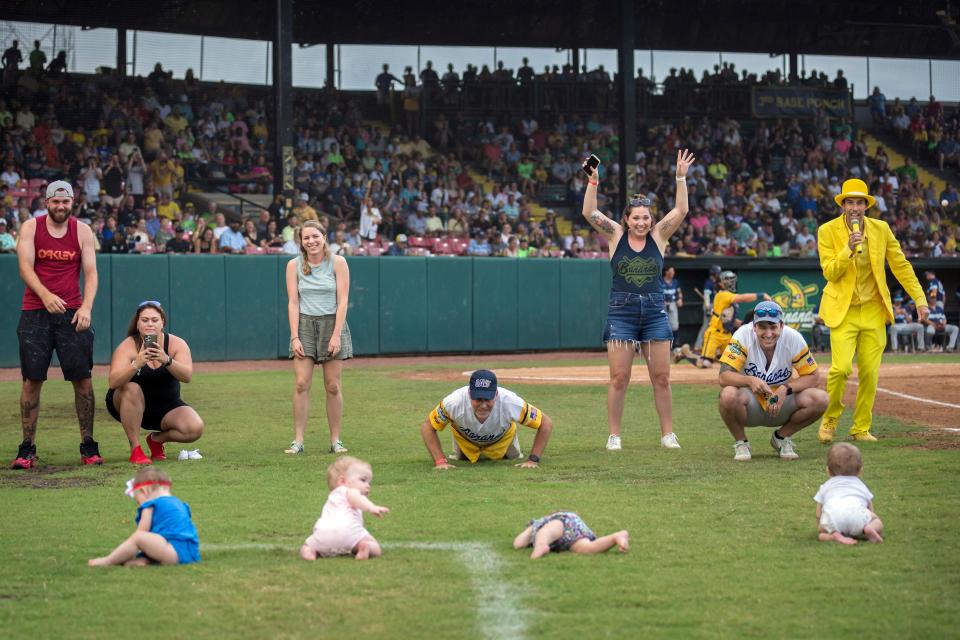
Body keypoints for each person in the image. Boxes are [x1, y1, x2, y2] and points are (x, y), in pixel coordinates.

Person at [582, 150, 696, 451]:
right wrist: (593, 181)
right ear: (627, 219)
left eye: (646, 217)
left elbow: (681, 210)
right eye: (636, 217)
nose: (642, 222)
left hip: (655, 312)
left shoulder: (659, 235)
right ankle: (614, 435)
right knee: (619, 378)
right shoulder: (616, 235)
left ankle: (668, 434)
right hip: (622, 312)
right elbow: (590, 214)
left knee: (661, 377)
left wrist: (680, 177)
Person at [817, 179, 928, 443]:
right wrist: (848, 249)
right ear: (842, 205)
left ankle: (861, 428)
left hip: (873, 311)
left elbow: (901, 265)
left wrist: (920, 299)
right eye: (850, 202)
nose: (855, 207)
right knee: (840, 369)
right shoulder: (827, 231)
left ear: (866, 206)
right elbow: (830, 272)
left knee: (869, 372)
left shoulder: (881, 229)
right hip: (843, 311)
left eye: (859, 202)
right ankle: (830, 420)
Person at [12, 181, 101, 469]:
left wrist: (86, 307)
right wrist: (46, 295)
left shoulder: (82, 230)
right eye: (55, 202)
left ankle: (88, 446)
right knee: (32, 380)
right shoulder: (31, 228)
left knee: (83, 380)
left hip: (72, 312)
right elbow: (25, 266)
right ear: (47, 202)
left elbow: (90, 272)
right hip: (36, 311)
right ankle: (27, 449)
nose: (60, 207)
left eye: (65, 202)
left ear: (72, 202)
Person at [717, 301, 829, 461]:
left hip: (783, 403)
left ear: (781, 326)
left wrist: (785, 389)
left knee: (821, 399)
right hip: (750, 403)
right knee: (727, 394)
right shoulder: (742, 335)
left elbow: (814, 377)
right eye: (762, 327)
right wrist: (749, 380)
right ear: (754, 326)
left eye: (773, 327)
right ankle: (741, 442)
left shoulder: (793, 337)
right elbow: (723, 377)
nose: (768, 333)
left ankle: (782, 437)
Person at [105, 301, 203, 464]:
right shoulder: (127, 346)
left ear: (162, 322)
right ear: (137, 324)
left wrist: (166, 360)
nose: (149, 324)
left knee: (194, 428)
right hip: (129, 403)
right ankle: (135, 449)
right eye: (144, 320)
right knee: (131, 388)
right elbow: (113, 382)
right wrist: (136, 363)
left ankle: (156, 440)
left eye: (154, 320)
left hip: (165, 406)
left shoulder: (176, 344)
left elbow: (187, 376)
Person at [285, 220, 353, 455]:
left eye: (315, 236)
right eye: (306, 238)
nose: (311, 241)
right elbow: (293, 302)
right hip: (304, 324)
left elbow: (343, 300)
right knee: (301, 383)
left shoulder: (338, 262)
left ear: (324, 236)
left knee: (333, 386)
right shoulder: (293, 265)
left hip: (332, 324)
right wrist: (295, 337)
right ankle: (298, 441)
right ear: (301, 242)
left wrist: (336, 335)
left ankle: (335, 441)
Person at [421, 369, 553, 469]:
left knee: (512, 458)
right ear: (469, 394)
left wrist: (533, 460)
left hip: (503, 440)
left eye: (488, 399)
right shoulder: (454, 402)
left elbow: (545, 423)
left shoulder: (510, 401)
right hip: (465, 441)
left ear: (496, 394)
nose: (483, 405)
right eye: (478, 399)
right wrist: (440, 462)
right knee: (462, 460)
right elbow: (428, 426)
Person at [88, 467, 201, 566]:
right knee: (153, 538)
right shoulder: (180, 504)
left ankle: (108, 561)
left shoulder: (150, 504)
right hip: (192, 553)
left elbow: (142, 533)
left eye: (138, 500)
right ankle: (145, 559)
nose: (140, 504)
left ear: (143, 491)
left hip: (174, 553)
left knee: (138, 537)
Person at [299, 456, 389, 561]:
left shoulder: (333, 496)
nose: (368, 485)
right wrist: (371, 507)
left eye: (369, 482)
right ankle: (365, 547)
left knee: (308, 544)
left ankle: (309, 551)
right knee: (376, 548)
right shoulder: (349, 490)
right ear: (342, 481)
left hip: (322, 533)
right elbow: (356, 499)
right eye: (363, 480)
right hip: (348, 532)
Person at [696, 270, 770, 368]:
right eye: (726, 280)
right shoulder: (722, 294)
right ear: (720, 284)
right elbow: (742, 298)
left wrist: (742, 323)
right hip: (714, 334)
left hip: (727, 336)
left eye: (731, 280)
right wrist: (761, 295)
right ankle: (685, 354)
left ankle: (716, 356)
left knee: (734, 362)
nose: (730, 282)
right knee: (706, 363)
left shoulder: (729, 299)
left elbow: (727, 320)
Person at [814, 443, 883, 545]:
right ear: (860, 471)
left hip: (833, 518)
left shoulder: (825, 487)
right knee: (877, 521)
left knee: (821, 535)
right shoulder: (861, 486)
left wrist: (822, 525)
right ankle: (868, 529)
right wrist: (868, 520)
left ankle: (833, 536)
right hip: (858, 516)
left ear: (828, 470)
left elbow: (818, 513)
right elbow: (869, 507)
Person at [512, 512, 629, 559]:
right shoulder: (536, 532)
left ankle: (540, 547)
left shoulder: (540, 524)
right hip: (570, 538)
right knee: (587, 548)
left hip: (564, 522)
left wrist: (532, 534)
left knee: (545, 532)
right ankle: (616, 537)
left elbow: (518, 543)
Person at [661, 265, 683, 344]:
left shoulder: (675, 282)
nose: (673, 273)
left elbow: (679, 292)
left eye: (673, 271)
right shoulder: (660, 281)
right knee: (662, 325)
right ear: (666, 272)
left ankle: (675, 344)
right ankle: (662, 344)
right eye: (671, 271)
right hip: (662, 305)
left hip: (672, 304)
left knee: (674, 325)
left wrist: (680, 299)